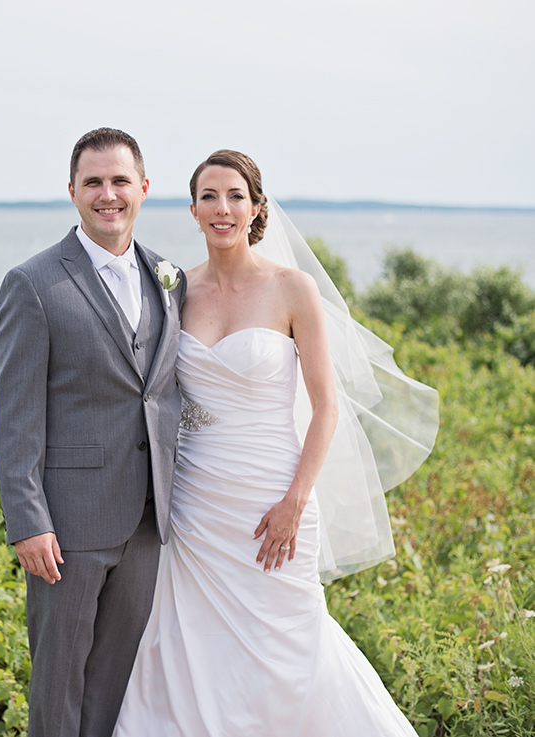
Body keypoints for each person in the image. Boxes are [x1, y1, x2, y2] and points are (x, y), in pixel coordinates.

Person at [113, 150, 439, 736]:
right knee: (190, 647)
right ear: (192, 209)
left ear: (256, 207)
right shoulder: (175, 291)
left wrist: (295, 500)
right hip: (196, 503)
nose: (222, 208)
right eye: (209, 196)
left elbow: (326, 406)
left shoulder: (293, 289)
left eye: (235, 195)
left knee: (288, 646)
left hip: (276, 496)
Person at [0, 128, 187, 737]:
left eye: (120, 181)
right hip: (67, 527)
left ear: (144, 189)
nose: (108, 194)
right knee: (58, 684)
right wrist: (28, 520)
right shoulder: (34, 283)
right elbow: (13, 414)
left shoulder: (167, 277)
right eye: (94, 182)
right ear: (72, 191)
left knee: (113, 683)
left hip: (147, 521)